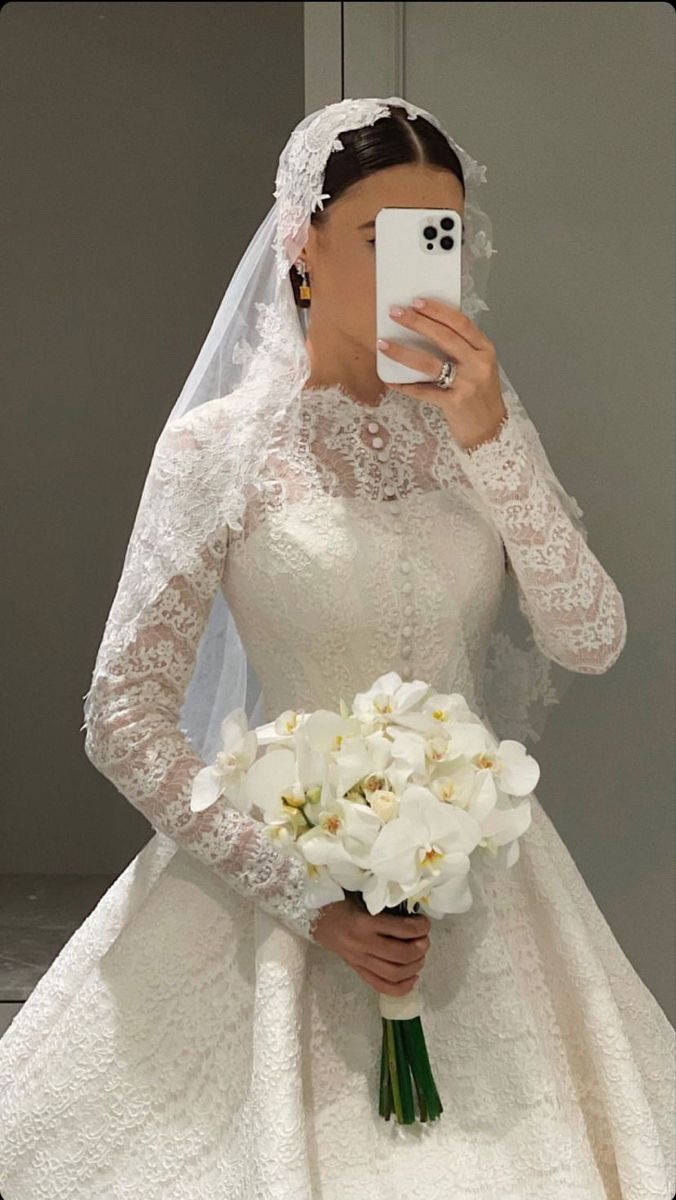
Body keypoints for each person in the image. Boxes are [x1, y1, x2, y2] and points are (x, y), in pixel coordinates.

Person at [0, 96, 674, 1200]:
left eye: (438, 235)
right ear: (298, 239)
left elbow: (589, 638)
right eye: (381, 235)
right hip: (281, 883)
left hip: (482, 879)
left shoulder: (483, 424)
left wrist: (490, 441)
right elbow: (120, 713)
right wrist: (307, 897)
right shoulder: (218, 448)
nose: (420, 266)